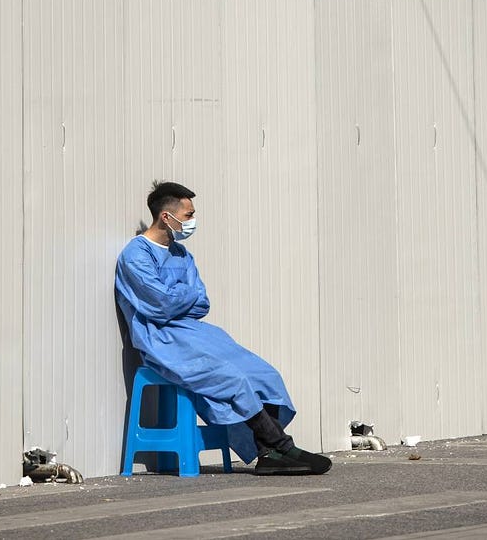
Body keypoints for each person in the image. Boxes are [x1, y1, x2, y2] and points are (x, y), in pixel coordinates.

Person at [115, 180, 332, 475]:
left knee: (263, 374)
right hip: (162, 339)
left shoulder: (182, 255)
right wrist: (183, 297)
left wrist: (179, 299)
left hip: (194, 333)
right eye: (188, 215)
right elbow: (160, 306)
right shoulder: (136, 255)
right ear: (167, 216)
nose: (193, 221)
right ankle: (280, 446)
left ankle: (270, 454)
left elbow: (202, 303)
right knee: (231, 378)